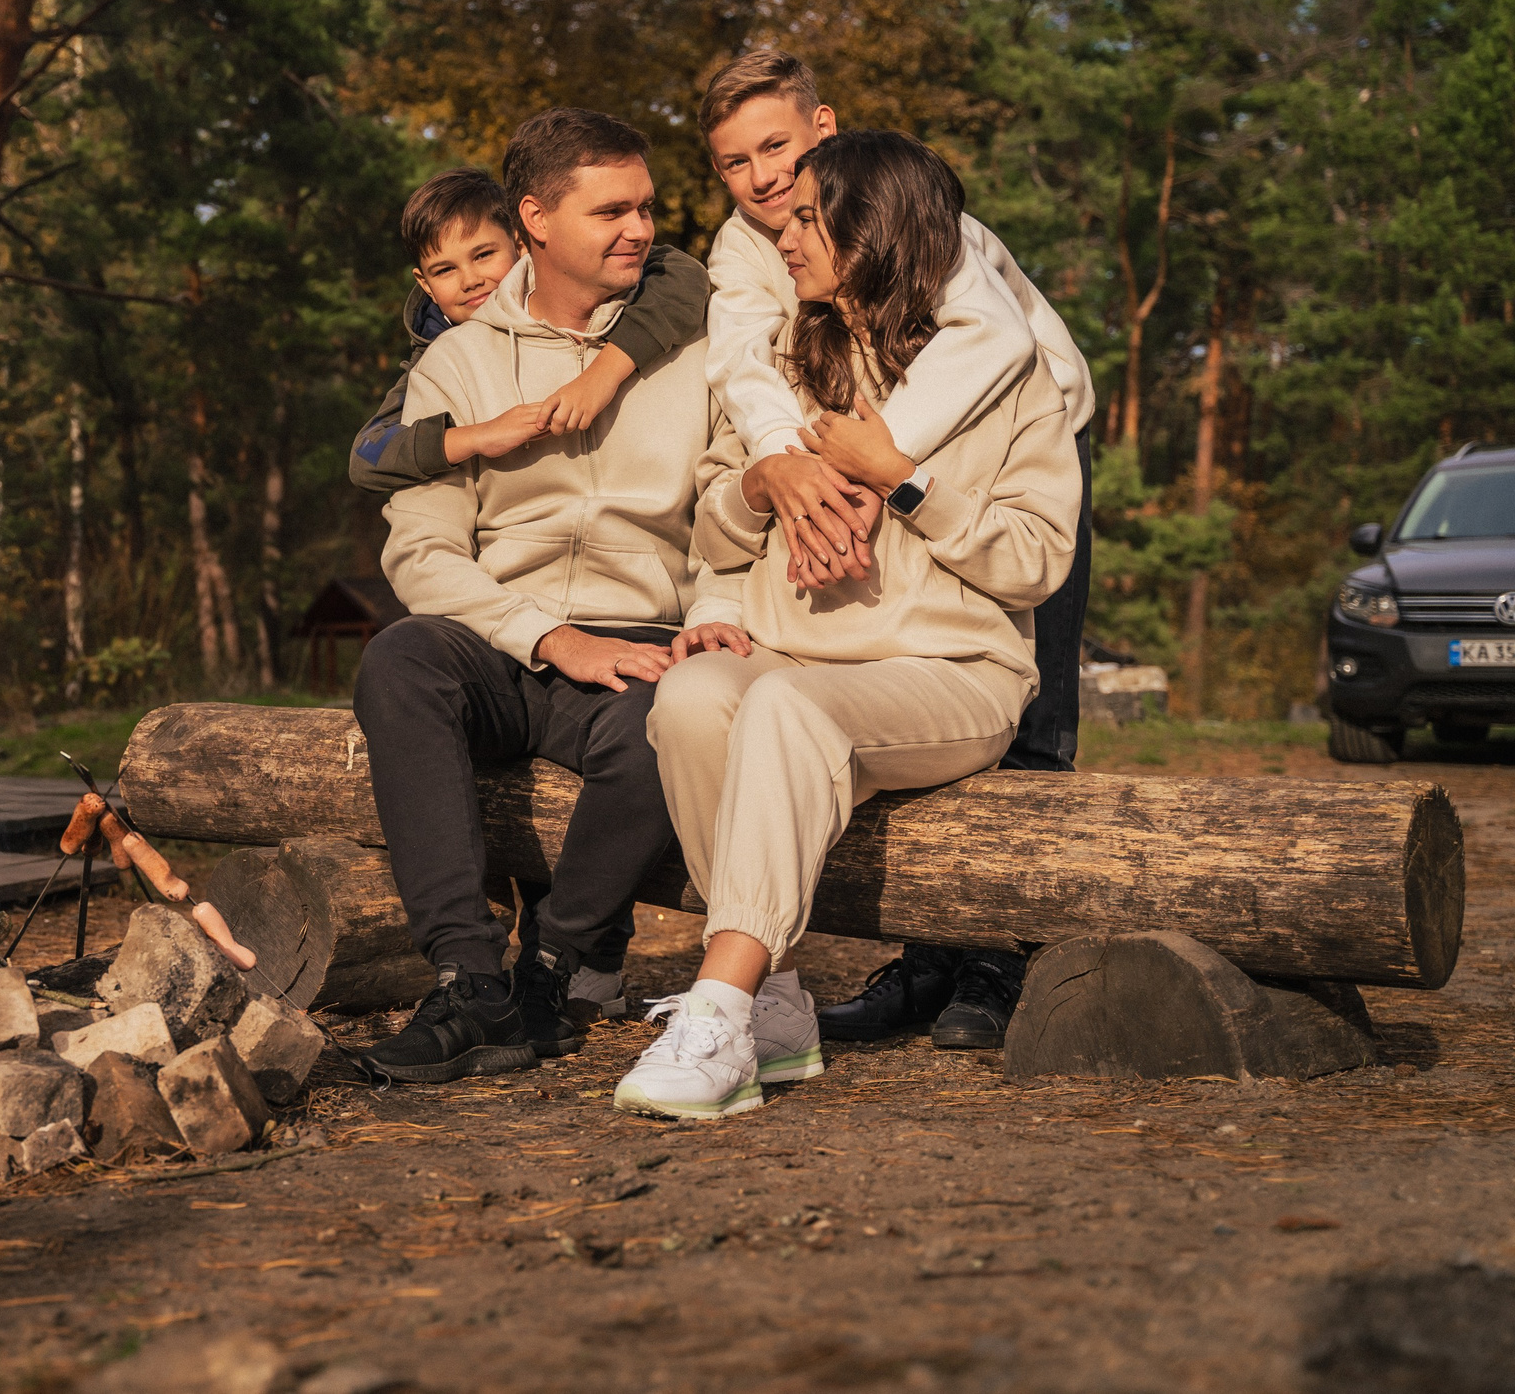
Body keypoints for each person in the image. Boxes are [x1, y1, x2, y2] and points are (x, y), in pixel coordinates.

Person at [614, 130, 1081, 1120]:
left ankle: (716, 1005)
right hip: (793, 652)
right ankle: (776, 1010)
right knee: (692, 698)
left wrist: (902, 482)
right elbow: (712, 518)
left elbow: (1038, 563)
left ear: (874, 230)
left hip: (953, 671)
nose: (782, 230)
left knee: (785, 706)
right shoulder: (786, 361)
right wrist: (758, 484)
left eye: (809, 216)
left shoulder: (1010, 380)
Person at [699, 49, 1096, 1049]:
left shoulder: (917, 216)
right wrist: (792, 466)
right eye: (734, 162)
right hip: (868, 454)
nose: (761, 179)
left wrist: (885, 466)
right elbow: (743, 368)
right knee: (885, 708)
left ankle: (997, 965)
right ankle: (924, 963)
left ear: (823, 129)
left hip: (1007, 447)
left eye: (777, 147)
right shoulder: (750, 249)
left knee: (1028, 726)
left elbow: (995, 343)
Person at [352, 108, 753, 1085]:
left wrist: (713, 615)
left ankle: (551, 969)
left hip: (641, 636)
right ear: (536, 219)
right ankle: (466, 978)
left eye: (647, 207)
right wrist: (544, 636)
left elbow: (729, 512)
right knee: (398, 660)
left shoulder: (692, 349)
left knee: (676, 716)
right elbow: (423, 551)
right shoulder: (458, 362)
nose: (640, 228)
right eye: (611, 210)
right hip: (498, 636)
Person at [350, 168, 710, 496]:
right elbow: (367, 457)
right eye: (444, 270)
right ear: (425, 284)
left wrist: (602, 376)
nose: (471, 280)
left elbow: (682, 273)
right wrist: (478, 436)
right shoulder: (433, 353)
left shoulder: (577, 295)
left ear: (520, 243)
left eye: (483, 255)